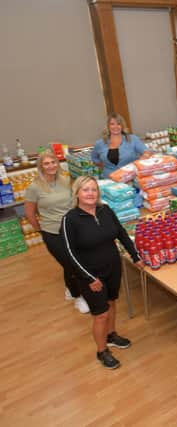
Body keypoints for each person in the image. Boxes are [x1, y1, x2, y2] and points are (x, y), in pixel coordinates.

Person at [61, 176, 143, 369]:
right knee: (100, 314)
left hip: (113, 267)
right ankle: (102, 351)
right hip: (90, 275)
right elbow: (69, 254)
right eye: (85, 190)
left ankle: (111, 335)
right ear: (77, 194)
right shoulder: (70, 220)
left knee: (111, 302)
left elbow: (121, 233)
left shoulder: (105, 210)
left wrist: (135, 255)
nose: (90, 193)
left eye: (93, 190)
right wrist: (89, 277)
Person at [24, 151, 89, 314]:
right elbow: (30, 214)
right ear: (41, 166)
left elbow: (75, 202)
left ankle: (70, 287)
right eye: (46, 163)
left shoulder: (66, 180)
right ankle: (78, 296)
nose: (51, 166)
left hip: (71, 228)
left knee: (76, 260)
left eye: (53, 162)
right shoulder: (34, 188)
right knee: (70, 264)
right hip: (52, 232)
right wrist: (41, 230)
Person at [91, 113, 152, 179]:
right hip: (109, 181)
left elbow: (147, 152)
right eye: (112, 124)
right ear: (108, 126)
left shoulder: (132, 139)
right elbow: (95, 158)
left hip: (130, 179)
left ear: (122, 126)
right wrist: (107, 166)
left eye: (118, 124)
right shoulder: (100, 143)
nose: (115, 127)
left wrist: (138, 163)